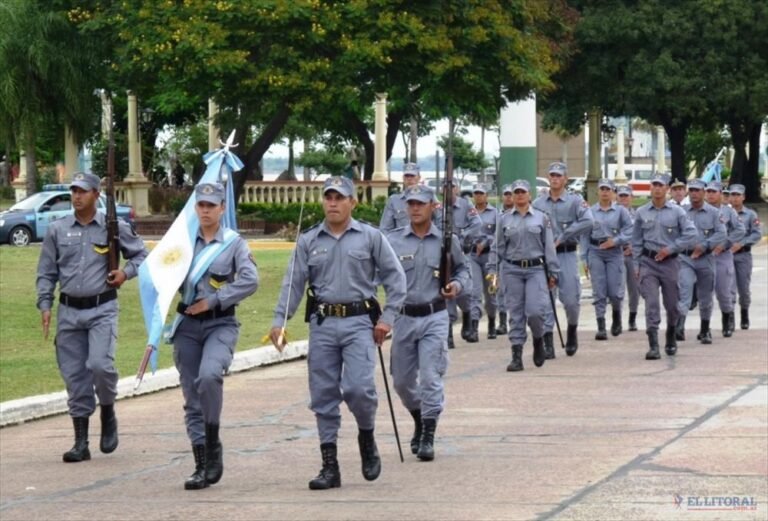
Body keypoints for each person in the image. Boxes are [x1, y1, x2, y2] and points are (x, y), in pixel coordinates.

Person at [269, 176, 406, 490]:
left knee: (358, 389)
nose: (332, 202)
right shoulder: (308, 240)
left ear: (352, 202)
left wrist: (387, 320)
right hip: (322, 324)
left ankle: (367, 436)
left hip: (360, 323)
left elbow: (396, 281)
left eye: (339, 197)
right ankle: (329, 465)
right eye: (328, 197)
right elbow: (293, 283)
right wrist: (280, 321)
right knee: (323, 394)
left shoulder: (371, 237)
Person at [36, 172, 148, 462]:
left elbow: (141, 256)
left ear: (97, 195)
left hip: (102, 308)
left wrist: (125, 273)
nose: (77, 196)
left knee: (100, 365)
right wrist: (45, 304)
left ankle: (108, 410)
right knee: (74, 375)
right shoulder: (57, 229)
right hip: (69, 310)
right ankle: (81, 442)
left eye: (83, 191)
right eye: (74, 190)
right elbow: (47, 271)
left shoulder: (114, 227)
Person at [170, 183, 259, 490]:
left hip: (220, 324)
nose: (205, 210)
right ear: (196, 208)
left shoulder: (234, 244)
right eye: (201, 205)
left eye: (211, 205)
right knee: (192, 396)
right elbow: (159, 274)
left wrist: (215, 300)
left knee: (209, 377)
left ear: (223, 208)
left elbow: (251, 280)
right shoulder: (181, 243)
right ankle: (200, 464)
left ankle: (213, 442)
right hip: (186, 327)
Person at [385, 185, 469, 461]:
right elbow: (378, 273)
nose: (415, 208)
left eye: (421, 203)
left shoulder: (446, 240)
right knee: (402, 381)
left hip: (435, 315)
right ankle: (420, 418)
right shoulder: (394, 241)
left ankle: (428, 435)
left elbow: (463, 269)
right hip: (404, 317)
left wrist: (455, 285)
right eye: (411, 203)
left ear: (433, 206)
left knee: (431, 378)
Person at [489, 180, 559, 372]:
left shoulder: (541, 218)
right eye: (516, 192)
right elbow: (498, 247)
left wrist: (553, 272)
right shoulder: (503, 219)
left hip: (536, 269)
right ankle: (517, 355)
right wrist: (492, 270)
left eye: (523, 192)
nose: (519, 195)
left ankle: (538, 339)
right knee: (516, 313)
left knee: (536, 311)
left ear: (530, 195)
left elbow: (549, 247)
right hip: (512, 270)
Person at [631, 173, 697, 360]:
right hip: (648, 262)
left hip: (670, 263)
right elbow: (636, 241)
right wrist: (636, 264)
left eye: (661, 185)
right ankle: (653, 345)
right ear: (650, 188)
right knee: (651, 303)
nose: (657, 188)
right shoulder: (642, 212)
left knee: (671, 304)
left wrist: (671, 249)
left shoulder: (677, 212)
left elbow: (690, 234)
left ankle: (670, 336)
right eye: (654, 185)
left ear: (667, 189)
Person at [533, 162, 593, 356]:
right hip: (545, 256)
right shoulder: (538, 203)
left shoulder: (575, 201)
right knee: (546, 299)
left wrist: (564, 235)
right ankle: (548, 341)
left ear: (565, 179)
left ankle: (572, 331)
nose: (555, 179)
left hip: (566, 253)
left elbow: (588, 221)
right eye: (552, 175)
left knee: (570, 299)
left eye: (559, 176)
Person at [674, 179, 726, 345]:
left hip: (706, 259)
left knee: (705, 297)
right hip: (685, 259)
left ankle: (705, 329)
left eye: (698, 190)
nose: (695, 193)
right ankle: (679, 326)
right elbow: (673, 233)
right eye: (692, 190)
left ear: (703, 192)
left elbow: (721, 234)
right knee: (684, 291)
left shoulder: (714, 213)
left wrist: (704, 246)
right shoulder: (680, 211)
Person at [581, 179, 633, 340]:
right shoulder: (590, 211)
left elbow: (630, 230)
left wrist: (616, 241)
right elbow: (584, 235)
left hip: (614, 252)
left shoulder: (620, 211)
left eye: (608, 189)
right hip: (595, 251)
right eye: (602, 189)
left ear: (613, 192)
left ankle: (616, 317)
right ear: (597, 191)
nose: (604, 192)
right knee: (599, 289)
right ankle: (601, 325)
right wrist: (584, 257)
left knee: (615, 290)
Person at [440, 182, 483, 346]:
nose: (448, 190)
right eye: (445, 188)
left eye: (451, 187)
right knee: (446, 290)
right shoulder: (437, 208)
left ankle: (466, 314)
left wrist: (461, 236)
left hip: (461, 253)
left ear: (456, 189)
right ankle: (449, 334)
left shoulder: (465, 205)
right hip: (443, 255)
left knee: (465, 292)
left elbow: (477, 224)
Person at [704, 181, 746, 337]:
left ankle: (727, 319)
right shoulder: (699, 210)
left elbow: (740, 230)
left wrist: (725, 244)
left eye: (714, 192)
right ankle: (704, 328)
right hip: (704, 256)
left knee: (723, 292)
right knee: (705, 294)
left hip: (722, 256)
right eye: (708, 191)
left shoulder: (728, 212)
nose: (710, 194)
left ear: (721, 194)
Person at [728, 184, 762, 329]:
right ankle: (729, 318)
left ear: (743, 197)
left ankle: (744, 315)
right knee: (728, 288)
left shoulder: (750, 214)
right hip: (727, 255)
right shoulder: (724, 213)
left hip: (743, 255)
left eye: (738, 195)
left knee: (743, 288)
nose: (735, 198)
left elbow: (757, 233)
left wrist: (741, 243)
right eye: (733, 195)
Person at [470, 184, 501, 339]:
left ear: (486, 196)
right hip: (473, 255)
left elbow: (498, 235)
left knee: (491, 292)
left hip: (490, 257)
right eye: (476, 193)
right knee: (474, 291)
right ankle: (474, 327)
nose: (478, 196)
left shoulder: (495, 213)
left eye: (481, 193)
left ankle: (491, 322)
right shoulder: (469, 212)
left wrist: (486, 242)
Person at [616, 185, 640, 331]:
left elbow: (641, 233)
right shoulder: (612, 214)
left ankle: (632, 318)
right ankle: (617, 319)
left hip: (633, 254)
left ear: (631, 198)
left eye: (626, 196)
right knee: (617, 289)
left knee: (634, 289)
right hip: (617, 253)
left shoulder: (638, 215)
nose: (624, 199)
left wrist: (634, 247)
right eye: (621, 196)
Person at [380, 162, 426, 232]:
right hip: (400, 241)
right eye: (407, 176)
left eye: (412, 176)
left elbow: (439, 224)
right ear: (403, 178)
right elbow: (385, 228)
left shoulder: (428, 199)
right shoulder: (394, 200)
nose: (409, 179)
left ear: (419, 178)